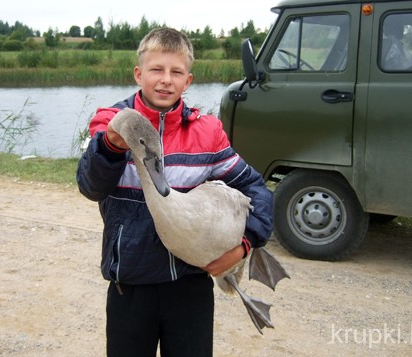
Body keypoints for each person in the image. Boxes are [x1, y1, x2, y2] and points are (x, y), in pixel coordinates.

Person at [76, 27, 273, 357]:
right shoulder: (111, 124)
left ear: (188, 80)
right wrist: (110, 146)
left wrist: (246, 244)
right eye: (156, 70)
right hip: (130, 285)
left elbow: (255, 188)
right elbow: (90, 187)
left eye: (175, 72)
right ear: (139, 74)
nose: (165, 80)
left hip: (189, 284)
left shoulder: (205, 132)